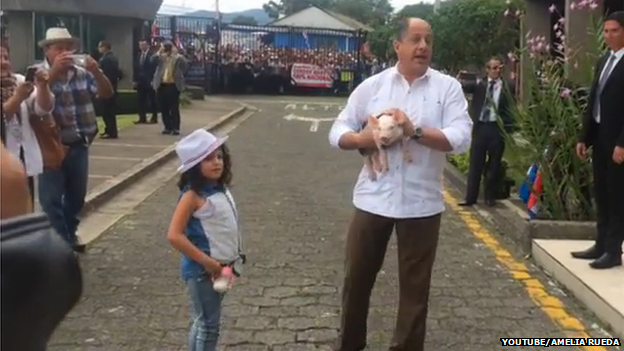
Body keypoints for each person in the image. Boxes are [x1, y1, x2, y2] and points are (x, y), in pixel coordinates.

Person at [328, 18, 472, 351]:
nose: (423, 46)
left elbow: (461, 138)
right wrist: (363, 137)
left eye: (428, 41)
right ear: (398, 46)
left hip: (422, 204)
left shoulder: (447, 88)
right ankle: (349, 344)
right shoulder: (374, 86)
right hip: (372, 199)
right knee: (357, 280)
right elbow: (337, 131)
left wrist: (414, 131)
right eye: (415, 39)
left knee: (415, 289)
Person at [35, 27, 114, 253]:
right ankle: (63, 242)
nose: (65, 52)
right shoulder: (38, 72)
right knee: (50, 199)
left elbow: (106, 94)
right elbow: (34, 103)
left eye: (68, 47)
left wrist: (97, 72)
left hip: (79, 142)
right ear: (48, 50)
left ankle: (69, 230)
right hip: (50, 145)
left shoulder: (82, 73)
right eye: (59, 48)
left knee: (76, 197)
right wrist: (53, 75)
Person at [167, 129, 245, 351]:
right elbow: (174, 235)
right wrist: (207, 263)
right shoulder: (192, 196)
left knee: (204, 320)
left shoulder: (220, 189)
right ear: (194, 166)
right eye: (208, 159)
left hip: (224, 266)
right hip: (203, 271)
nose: (216, 162)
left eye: (219, 157)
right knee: (209, 325)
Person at [573, 11, 624, 269]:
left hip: (618, 143)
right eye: (606, 31)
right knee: (601, 193)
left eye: (614, 30)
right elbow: (594, 99)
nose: (608, 36)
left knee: (617, 197)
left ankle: (614, 250)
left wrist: (622, 143)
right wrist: (585, 137)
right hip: (601, 137)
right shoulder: (605, 59)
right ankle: (601, 244)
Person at [1, 44, 55, 207]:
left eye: (6, 57)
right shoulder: (19, 90)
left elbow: (42, 109)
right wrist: (17, 98)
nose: (4, 62)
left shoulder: (18, 81)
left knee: (23, 209)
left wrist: (43, 87)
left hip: (22, 160)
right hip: (3, 163)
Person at [459, 56, 516, 207]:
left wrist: (509, 127)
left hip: (496, 128)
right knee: (476, 163)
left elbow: (511, 108)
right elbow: (465, 86)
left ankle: (490, 197)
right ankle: (470, 197)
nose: (497, 71)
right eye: (494, 68)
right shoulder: (480, 85)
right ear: (488, 70)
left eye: (500, 68)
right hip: (481, 127)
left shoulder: (507, 86)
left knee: (494, 165)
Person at [152, 41, 188, 136]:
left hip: (173, 85)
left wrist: (177, 53)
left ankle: (175, 128)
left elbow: (186, 64)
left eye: (169, 49)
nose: (167, 51)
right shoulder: (161, 57)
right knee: (163, 107)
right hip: (162, 85)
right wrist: (159, 52)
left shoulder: (177, 58)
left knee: (173, 107)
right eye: (166, 49)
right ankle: (167, 127)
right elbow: (151, 60)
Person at [97, 40, 121, 139]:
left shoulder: (106, 60)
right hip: (113, 87)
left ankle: (110, 131)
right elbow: (119, 73)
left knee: (107, 111)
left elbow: (104, 74)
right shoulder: (114, 58)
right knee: (110, 111)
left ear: (105, 47)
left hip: (107, 88)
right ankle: (110, 130)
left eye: (100, 47)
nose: (99, 49)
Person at [133, 38, 158, 124]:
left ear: (148, 45)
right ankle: (142, 118)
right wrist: (135, 80)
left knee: (152, 100)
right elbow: (136, 69)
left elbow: (154, 69)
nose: (142, 47)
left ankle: (154, 117)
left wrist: (153, 80)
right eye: (140, 45)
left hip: (149, 81)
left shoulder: (152, 56)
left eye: (143, 45)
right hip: (140, 82)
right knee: (141, 100)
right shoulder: (138, 55)